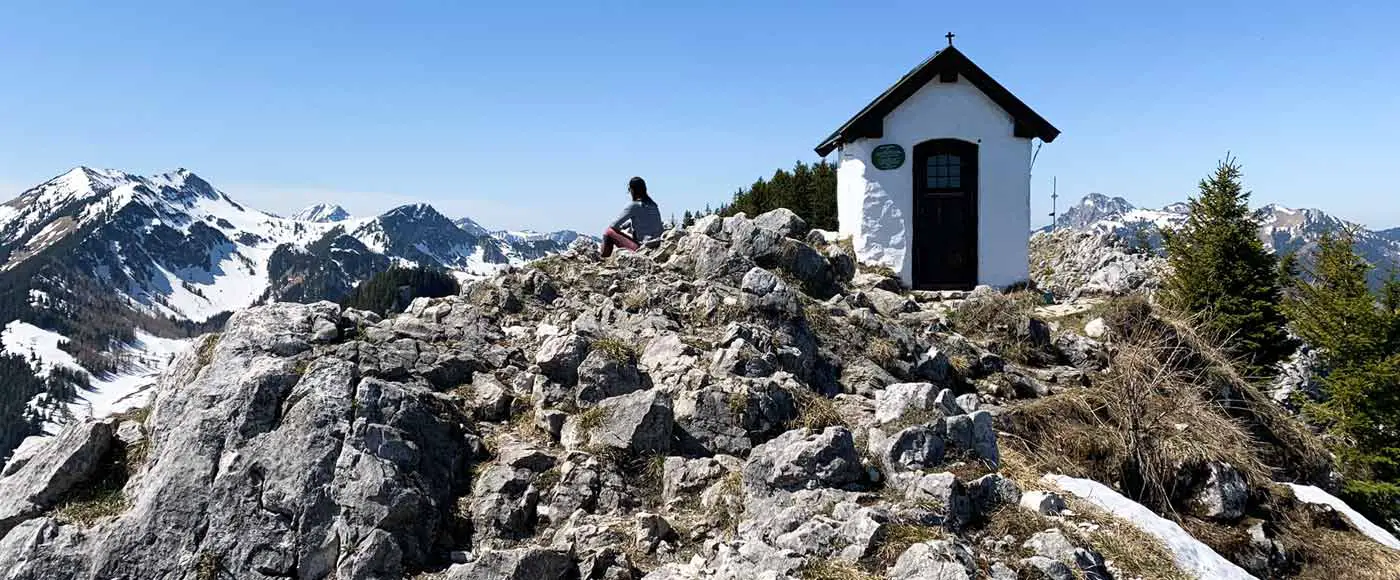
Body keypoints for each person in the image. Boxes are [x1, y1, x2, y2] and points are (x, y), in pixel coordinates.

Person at [601, 176, 663, 258]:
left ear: (632, 190)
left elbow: (613, 225)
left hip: (642, 248)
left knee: (608, 231)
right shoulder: (653, 205)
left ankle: (603, 258)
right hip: (657, 245)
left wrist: (620, 228)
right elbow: (645, 222)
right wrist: (625, 226)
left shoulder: (634, 205)